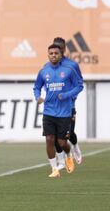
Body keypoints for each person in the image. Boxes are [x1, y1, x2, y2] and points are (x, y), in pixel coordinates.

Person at [33, 44, 83, 178]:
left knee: (62, 143)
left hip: (64, 113)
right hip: (49, 111)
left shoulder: (68, 70)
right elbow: (36, 87)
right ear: (48, 55)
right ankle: (54, 168)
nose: (53, 55)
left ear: (61, 55)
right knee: (49, 139)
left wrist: (67, 95)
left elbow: (79, 86)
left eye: (56, 53)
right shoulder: (43, 71)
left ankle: (68, 154)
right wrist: (38, 97)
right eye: (51, 53)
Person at [52, 37, 83, 168]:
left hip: (69, 106)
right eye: (56, 48)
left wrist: (70, 96)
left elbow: (79, 84)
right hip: (54, 108)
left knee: (69, 134)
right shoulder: (49, 66)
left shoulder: (72, 65)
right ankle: (61, 161)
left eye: (61, 48)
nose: (58, 50)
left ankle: (75, 146)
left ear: (64, 49)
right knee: (53, 135)